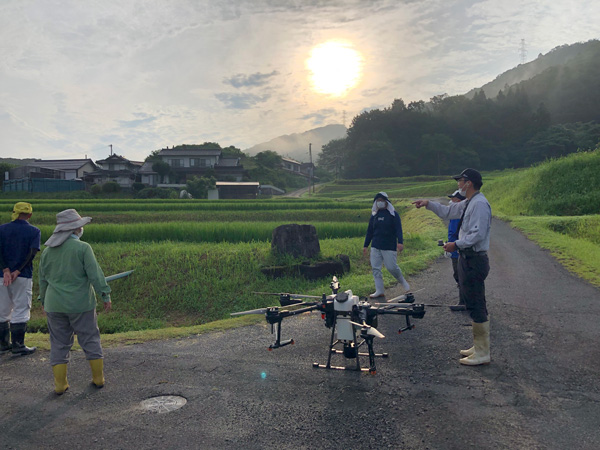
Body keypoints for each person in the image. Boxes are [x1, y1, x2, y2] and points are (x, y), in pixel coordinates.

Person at [413, 169, 492, 366]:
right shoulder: (469, 203)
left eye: (460, 181)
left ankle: (483, 353)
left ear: (469, 183)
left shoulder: (480, 204)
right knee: (473, 301)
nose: (458, 184)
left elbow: (478, 235)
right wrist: (428, 204)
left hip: (474, 259)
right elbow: (448, 212)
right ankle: (479, 346)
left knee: (475, 302)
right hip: (468, 258)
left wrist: (456, 244)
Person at [39, 209, 112, 395]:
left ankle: (60, 385)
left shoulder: (47, 252)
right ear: (76, 228)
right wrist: (105, 294)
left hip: (54, 305)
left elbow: (43, 279)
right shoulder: (83, 248)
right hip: (80, 304)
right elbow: (95, 274)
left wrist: (43, 301)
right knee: (89, 338)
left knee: (58, 343)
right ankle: (98, 378)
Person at [0, 202, 41, 356]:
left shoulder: (1, 229)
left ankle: (3, 345)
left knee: (2, 309)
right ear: (29, 215)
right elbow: (31, 254)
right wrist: (17, 270)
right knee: (21, 307)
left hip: (1, 276)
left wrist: (5, 269)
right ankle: (18, 345)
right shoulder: (34, 231)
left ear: (14, 212)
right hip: (22, 276)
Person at [363, 192, 410, 298]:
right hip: (375, 245)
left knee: (391, 267)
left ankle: (403, 282)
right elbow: (369, 231)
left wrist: (400, 242)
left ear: (386, 202)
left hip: (389, 245)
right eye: (378, 200)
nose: (380, 202)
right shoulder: (374, 216)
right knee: (376, 268)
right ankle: (379, 290)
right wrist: (366, 245)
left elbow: (399, 229)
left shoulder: (393, 215)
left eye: (382, 200)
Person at [447, 190, 466, 312]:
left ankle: (463, 302)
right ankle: (464, 300)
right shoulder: (457, 213)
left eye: (453, 199)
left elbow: (455, 233)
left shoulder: (457, 214)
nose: (451, 201)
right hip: (455, 248)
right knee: (459, 275)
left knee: (460, 275)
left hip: (457, 249)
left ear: (458, 201)